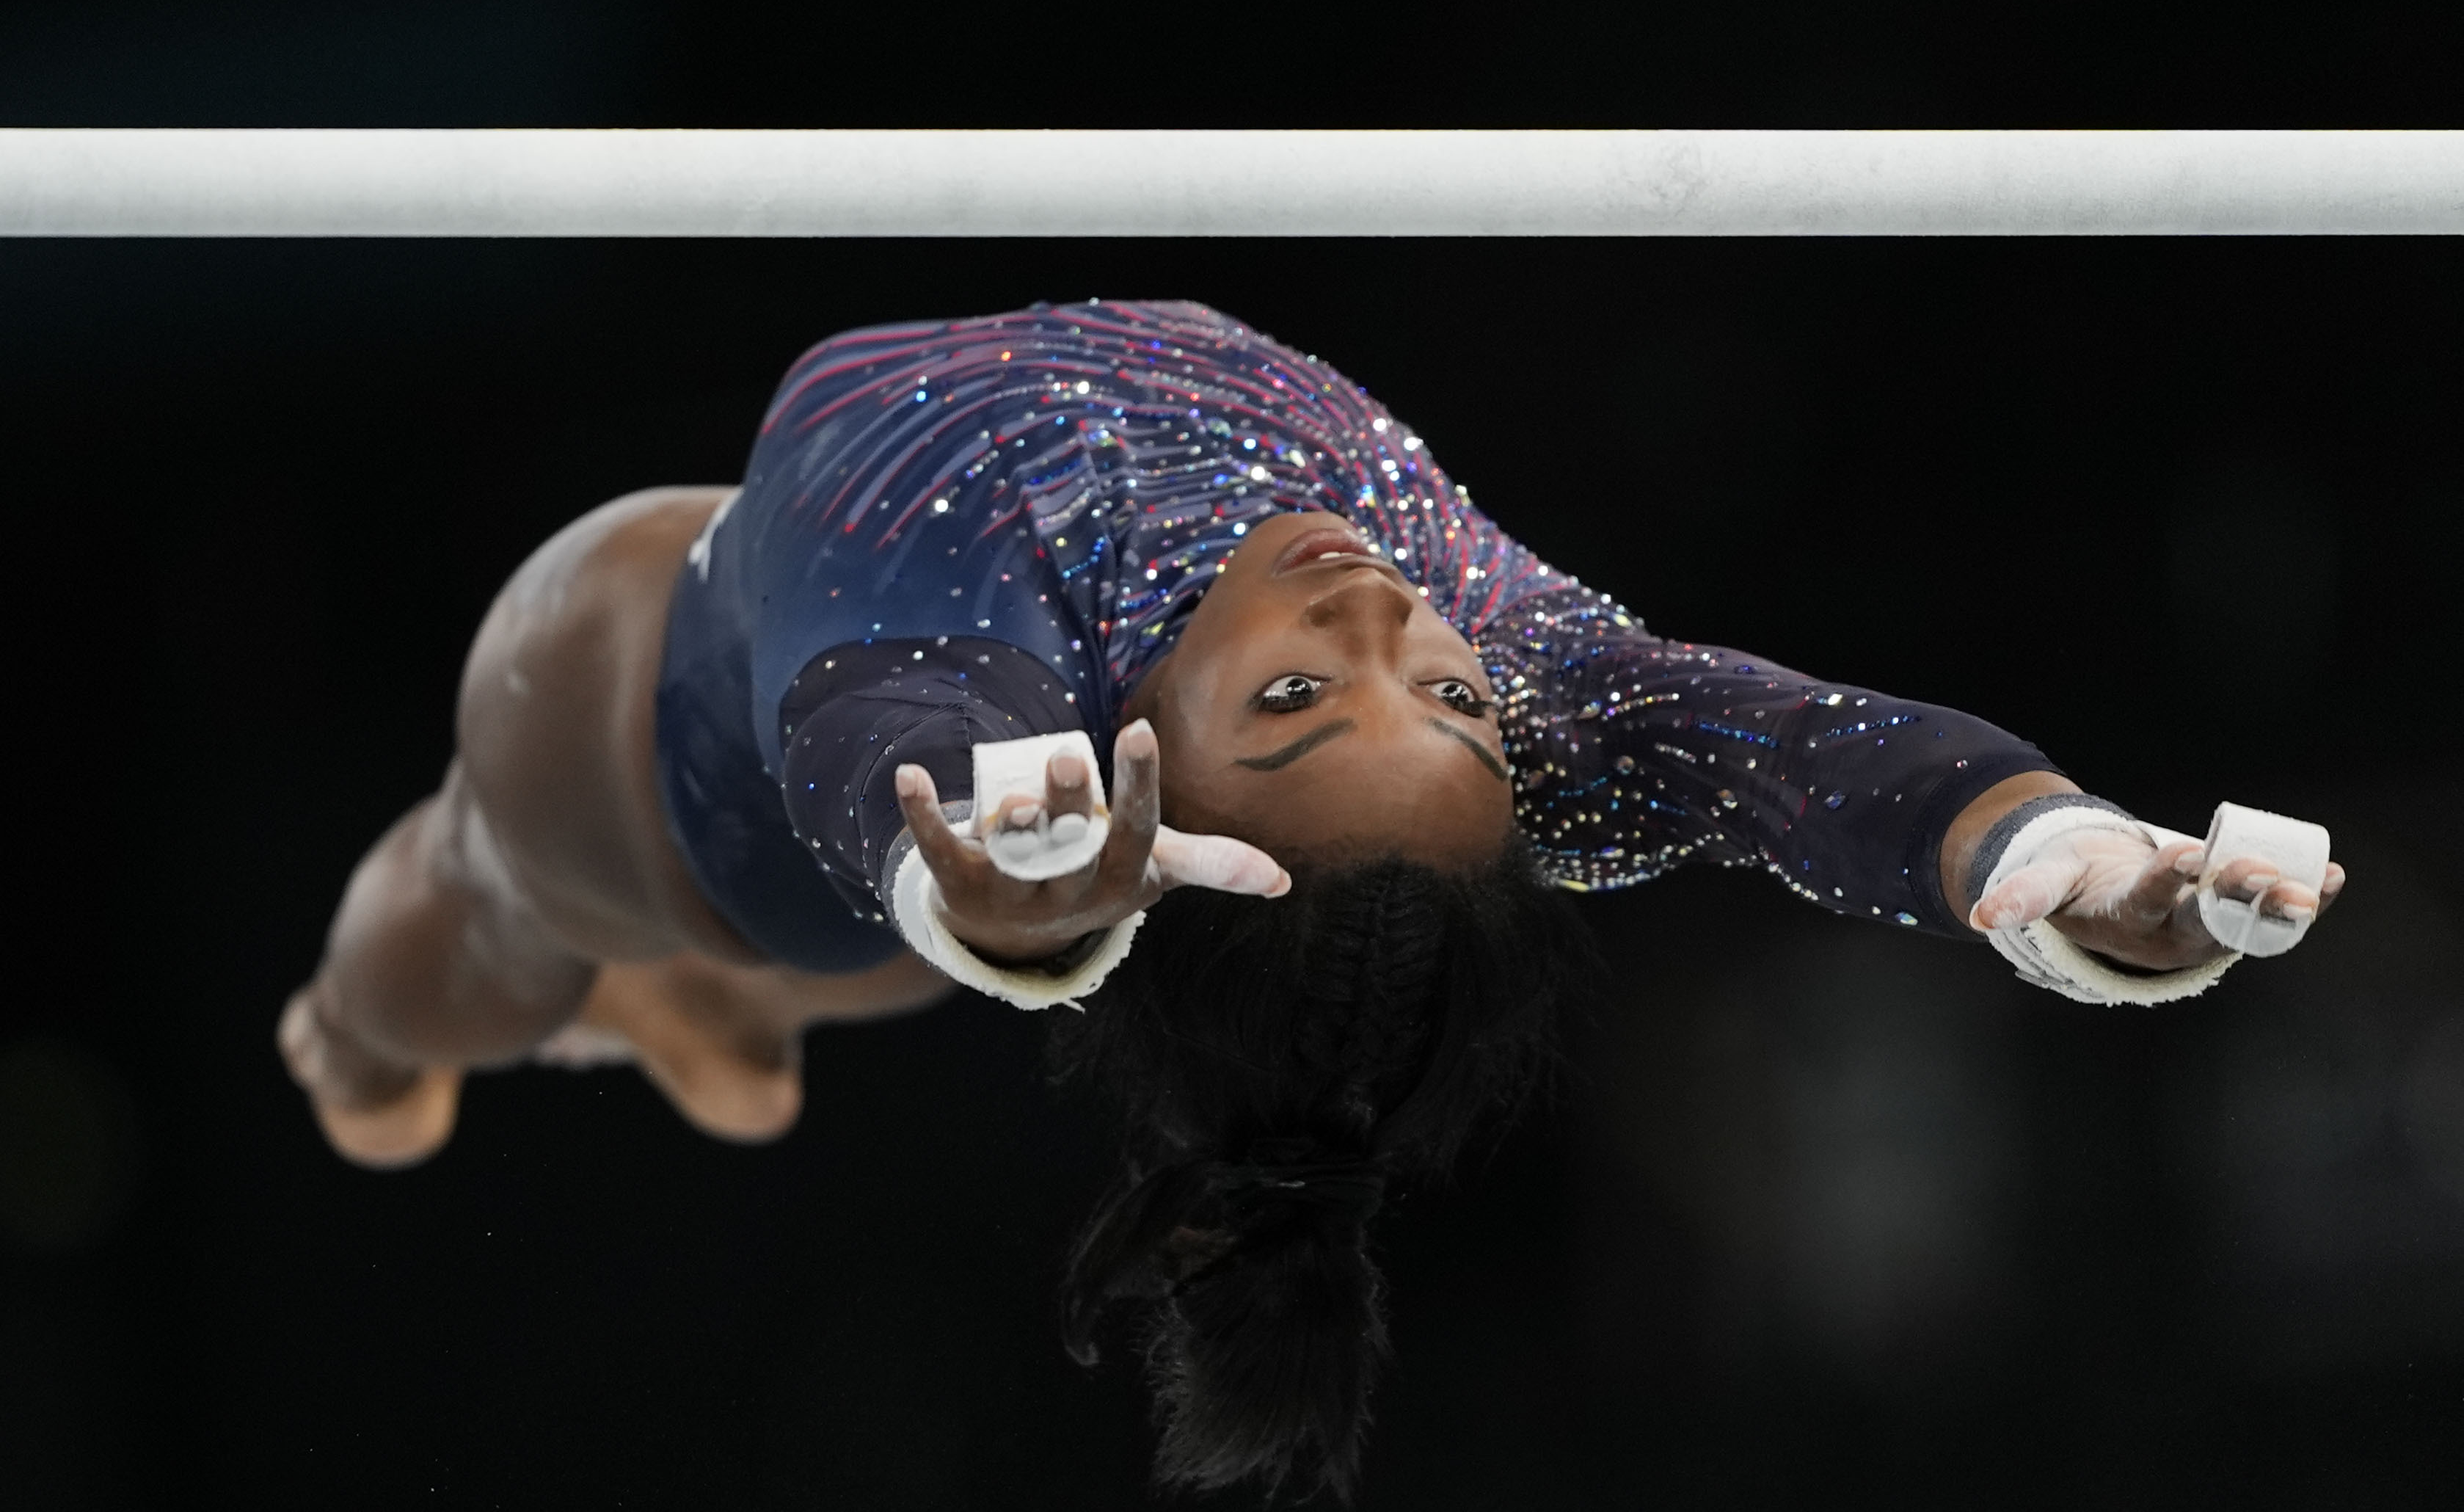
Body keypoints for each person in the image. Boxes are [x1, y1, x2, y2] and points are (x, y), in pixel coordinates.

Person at [279, 299, 2341, 1502]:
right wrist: (2053, 864)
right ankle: (749, 1006)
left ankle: (372, 1030)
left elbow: (888, 721)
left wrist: (996, 905)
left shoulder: (967, 662)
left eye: (1291, 701)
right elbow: (1790, 757)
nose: (1380, 613)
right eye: (1441, 691)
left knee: (459, 937)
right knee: (830, 966)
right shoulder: (1529, 678)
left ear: (1140, 776)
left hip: (624, 760)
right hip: (906, 904)